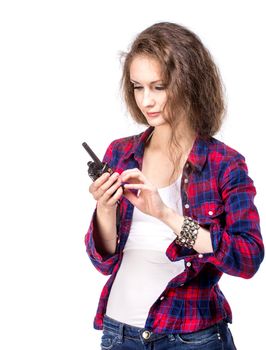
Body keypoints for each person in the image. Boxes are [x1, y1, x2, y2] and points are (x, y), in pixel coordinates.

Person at [84, 22, 264, 350]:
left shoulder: (224, 163)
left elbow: (248, 257)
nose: (146, 100)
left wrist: (167, 215)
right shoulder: (120, 153)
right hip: (118, 334)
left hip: (192, 338)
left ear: (188, 84)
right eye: (138, 87)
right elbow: (103, 261)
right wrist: (105, 209)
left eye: (159, 87)